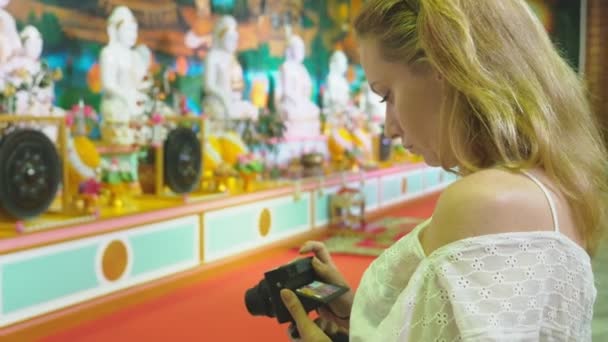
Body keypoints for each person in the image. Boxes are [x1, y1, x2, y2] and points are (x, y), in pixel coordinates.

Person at [280, 0, 607, 341]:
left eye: (387, 95)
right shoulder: (552, 185)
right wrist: (357, 311)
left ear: (443, 69)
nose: (390, 127)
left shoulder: (484, 201)